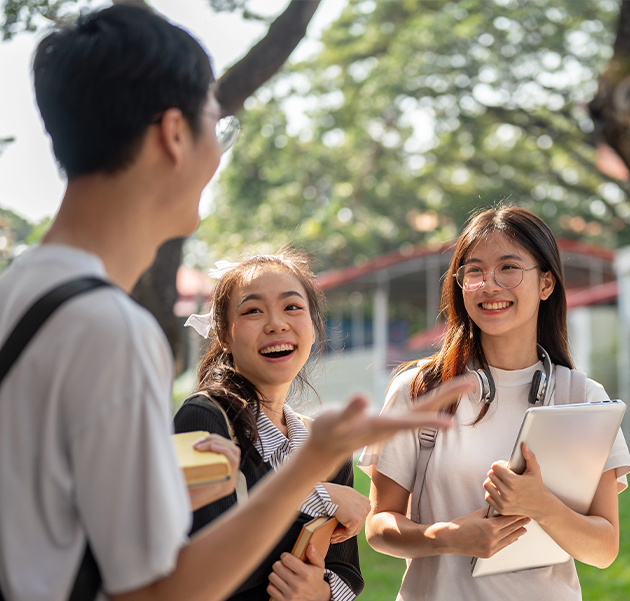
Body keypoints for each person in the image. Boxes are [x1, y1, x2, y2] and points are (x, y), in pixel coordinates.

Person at [0, 6, 471, 601]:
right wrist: (313, 463)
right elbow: (157, 595)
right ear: (174, 134)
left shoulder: (18, 293)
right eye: (217, 126)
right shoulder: (110, 329)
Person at [360, 206, 630, 601]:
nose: (489, 285)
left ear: (546, 283)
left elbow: (604, 549)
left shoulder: (582, 398)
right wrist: (446, 536)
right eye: (474, 272)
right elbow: (378, 527)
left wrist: (540, 505)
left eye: (508, 268)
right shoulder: (420, 392)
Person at [175, 252, 367, 601]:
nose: (276, 324)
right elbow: (208, 561)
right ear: (224, 335)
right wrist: (317, 494)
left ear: (313, 326)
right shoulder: (204, 418)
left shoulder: (326, 446)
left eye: (292, 307)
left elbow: (348, 573)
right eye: (252, 311)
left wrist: (321, 593)